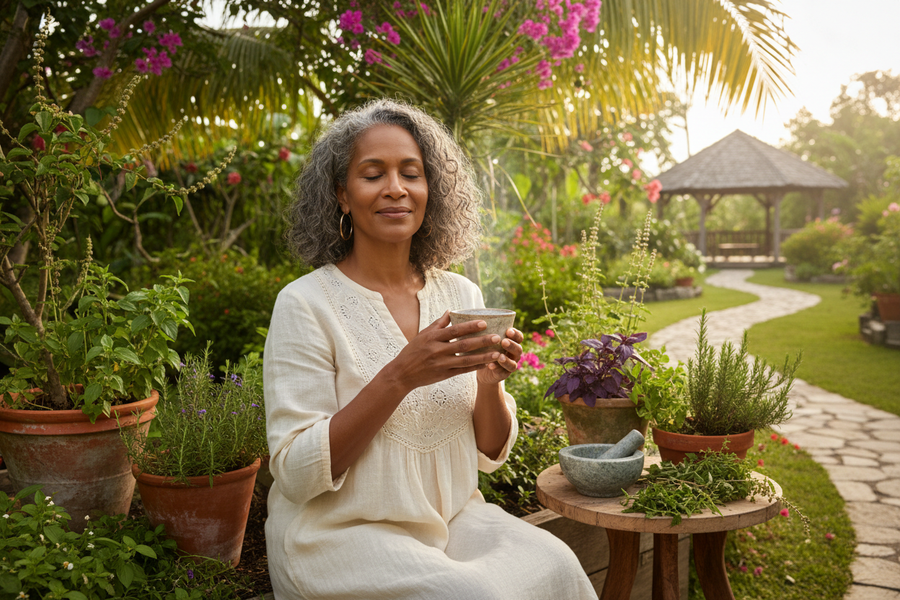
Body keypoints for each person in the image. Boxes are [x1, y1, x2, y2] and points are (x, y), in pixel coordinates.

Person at [263, 99, 597, 600]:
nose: (395, 188)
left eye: (411, 174)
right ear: (342, 195)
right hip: (341, 534)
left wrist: (489, 385)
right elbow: (294, 472)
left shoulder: (460, 296)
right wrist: (400, 375)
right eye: (372, 174)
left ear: (430, 190)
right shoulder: (306, 304)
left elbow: (490, 451)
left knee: (558, 565)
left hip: (453, 520)